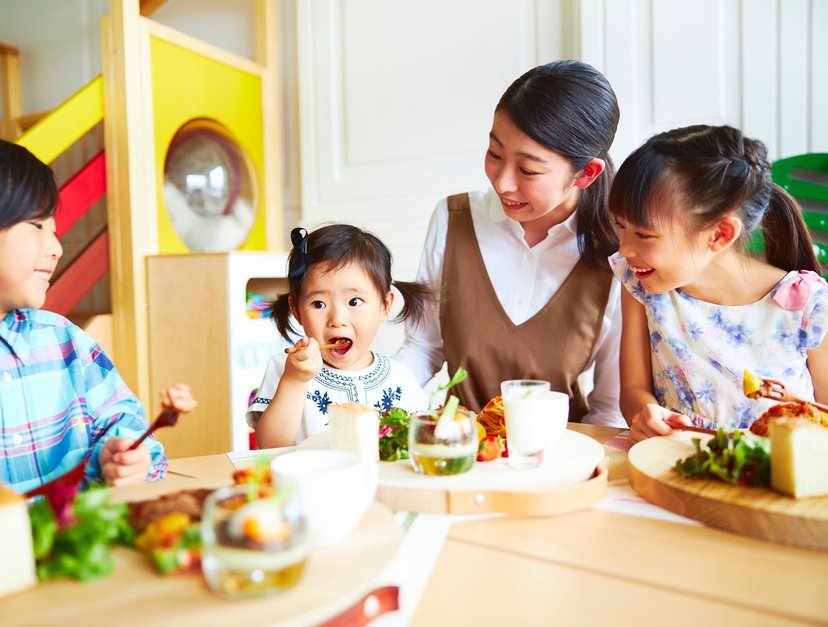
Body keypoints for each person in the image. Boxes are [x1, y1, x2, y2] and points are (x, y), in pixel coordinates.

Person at [0, 131, 196, 595]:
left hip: (79, 579)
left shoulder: (63, 340)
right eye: (36, 225)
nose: (56, 246)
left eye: (53, 227)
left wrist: (127, 458)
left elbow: (127, 427)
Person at [395, 60, 625, 426]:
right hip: (462, 445)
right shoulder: (454, 219)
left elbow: (610, 409)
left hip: (563, 449)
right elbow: (424, 348)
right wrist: (371, 398)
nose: (502, 183)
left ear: (586, 173)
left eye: (528, 170)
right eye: (495, 154)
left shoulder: (619, 252)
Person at [609, 124, 828, 444]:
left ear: (720, 235)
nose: (625, 249)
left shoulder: (805, 302)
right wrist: (645, 413)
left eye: (643, 234)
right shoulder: (642, 282)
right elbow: (633, 388)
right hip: (673, 456)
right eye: (621, 226)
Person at [248, 225, 434, 448]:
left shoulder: (399, 376)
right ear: (296, 310)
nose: (337, 319)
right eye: (319, 304)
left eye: (354, 301)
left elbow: (424, 438)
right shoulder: (286, 370)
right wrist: (294, 381)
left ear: (385, 305)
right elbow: (271, 447)